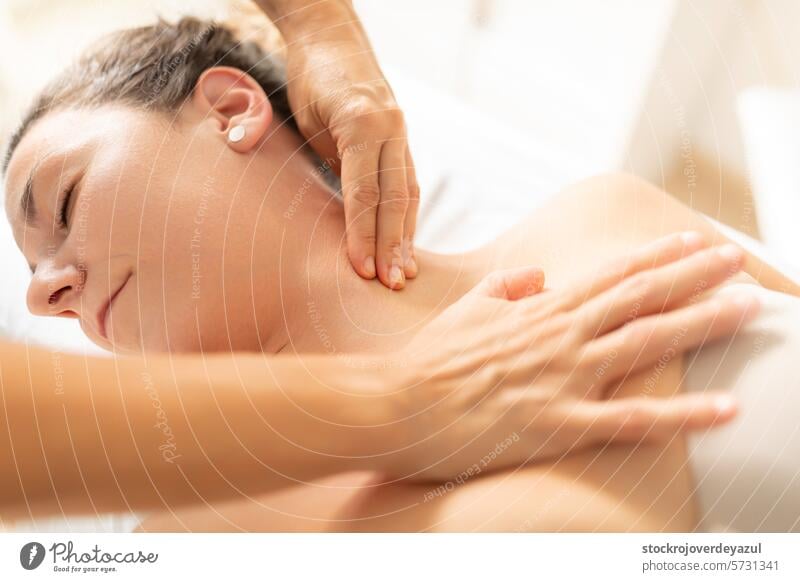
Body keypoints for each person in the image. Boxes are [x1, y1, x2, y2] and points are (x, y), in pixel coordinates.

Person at [6, 15, 797, 532]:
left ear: (229, 110)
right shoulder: (187, 528)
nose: (45, 296)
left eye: (66, 202)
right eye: (38, 280)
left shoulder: (603, 221)